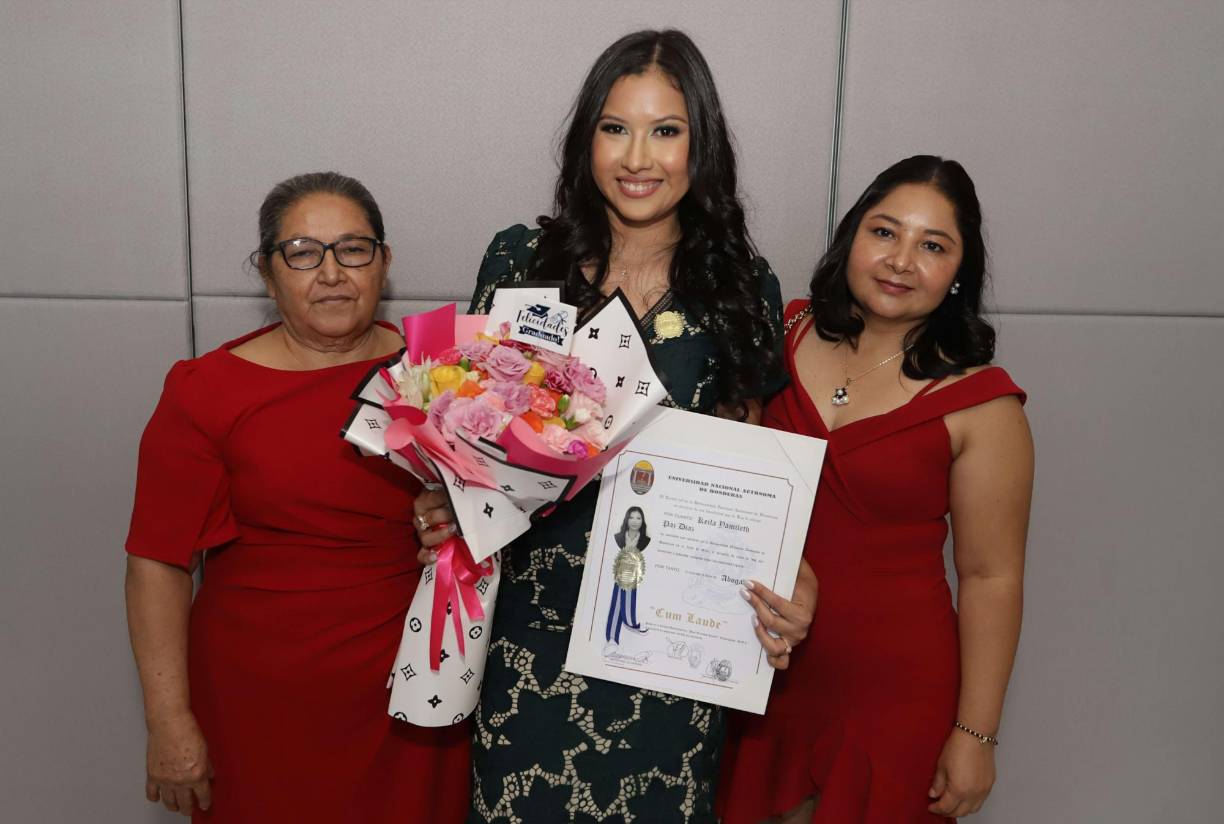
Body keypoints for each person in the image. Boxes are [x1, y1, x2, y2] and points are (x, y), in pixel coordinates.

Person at [412, 29, 818, 824]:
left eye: (666, 131)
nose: (638, 157)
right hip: (528, 636)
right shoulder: (522, 261)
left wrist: (784, 577)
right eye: (614, 128)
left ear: (701, 147)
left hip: (668, 644)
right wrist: (441, 502)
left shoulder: (741, 286)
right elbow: (467, 430)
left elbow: (749, 469)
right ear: (585, 140)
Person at [124, 172, 469, 822]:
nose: (331, 273)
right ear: (266, 271)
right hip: (255, 702)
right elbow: (157, 562)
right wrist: (168, 721)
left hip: (417, 690)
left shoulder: (448, 375)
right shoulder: (207, 391)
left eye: (354, 250)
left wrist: (461, 520)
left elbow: (507, 522)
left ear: (384, 262)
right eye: (303, 253)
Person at [718, 155, 1034, 823]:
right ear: (851, 238)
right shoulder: (781, 331)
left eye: (933, 246)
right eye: (884, 232)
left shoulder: (984, 404)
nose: (901, 261)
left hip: (893, 698)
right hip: (755, 673)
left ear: (960, 272)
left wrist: (976, 735)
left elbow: (991, 578)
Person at [607, 506, 650, 643]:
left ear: (642, 521)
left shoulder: (645, 540)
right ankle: (627, 625)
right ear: (626, 519)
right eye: (631, 517)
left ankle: (614, 638)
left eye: (638, 518)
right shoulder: (618, 537)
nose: (635, 521)